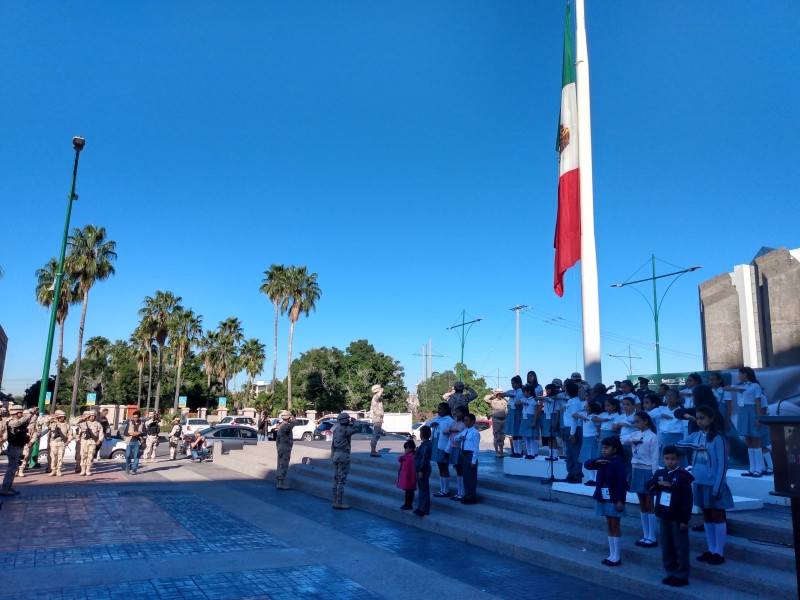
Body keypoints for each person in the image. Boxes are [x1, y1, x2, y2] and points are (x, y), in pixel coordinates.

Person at [677, 405, 733, 565]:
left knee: (717, 515)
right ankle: (711, 549)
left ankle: (719, 552)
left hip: (713, 483)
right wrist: (694, 446)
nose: (700, 421)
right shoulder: (696, 436)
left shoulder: (718, 438)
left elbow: (723, 463)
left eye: (703, 418)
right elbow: (679, 444)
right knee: (706, 515)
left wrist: (718, 485)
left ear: (711, 419)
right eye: (698, 418)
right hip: (699, 482)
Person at [646, 445, 695, 588]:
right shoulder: (660, 473)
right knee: (666, 546)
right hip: (663, 514)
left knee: (680, 546)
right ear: (663, 459)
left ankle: (682, 575)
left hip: (678, 516)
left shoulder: (683, 475)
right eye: (667, 459)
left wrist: (685, 519)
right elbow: (647, 486)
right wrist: (657, 482)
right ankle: (670, 572)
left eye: (673, 459)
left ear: (679, 460)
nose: (670, 461)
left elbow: (688, 499)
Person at [585, 436, 628, 567]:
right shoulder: (603, 460)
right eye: (602, 447)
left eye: (606, 448)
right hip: (604, 496)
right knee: (609, 524)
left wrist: (620, 499)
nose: (603, 450)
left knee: (615, 525)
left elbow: (621, 482)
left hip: (614, 498)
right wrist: (596, 462)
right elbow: (587, 464)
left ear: (614, 449)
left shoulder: (618, 462)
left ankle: (617, 556)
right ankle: (612, 553)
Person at [623, 412, 660, 548]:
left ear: (646, 421)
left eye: (638, 421)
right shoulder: (635, 434)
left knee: (649, 502)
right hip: (636, 469)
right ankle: (645, 535)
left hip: (647, 470)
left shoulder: (653, 437)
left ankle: (652, 536)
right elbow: (622, 439)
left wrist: (654, 476)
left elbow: (655, 458)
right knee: (642, 503)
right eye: (635, 422)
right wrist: (633, 440)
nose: (636, 424)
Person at [724, 367, 766, 477]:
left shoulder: (755, 386)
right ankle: (752, 468)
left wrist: (759, 418)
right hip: (742, 412)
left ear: (746, 374)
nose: (739, 376)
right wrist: (737, 389)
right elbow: (725, 388)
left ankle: (759, 468)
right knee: (748, 439)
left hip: (752, 411)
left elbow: (758, 402)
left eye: (740, 374)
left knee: (756, 440)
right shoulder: (739, 386)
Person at [1, 405, 33, 495]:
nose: (22, 414)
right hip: (13, 447)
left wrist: (33, 414)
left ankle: (9, 487)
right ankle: (5, 487)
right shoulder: (11, 421)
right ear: (16, 413)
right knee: (11, 468)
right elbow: (19, 423)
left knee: (14, 467)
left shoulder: (18, 421)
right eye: (20, 413)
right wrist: (30, 413)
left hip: (18, 446)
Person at [427, 403, 455, 498]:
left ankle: (446, 490)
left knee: (444, 467)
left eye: (441, 409)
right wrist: (432, 424)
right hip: (436, 444)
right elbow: (428, 424)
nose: (438, 411)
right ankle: (442, 489)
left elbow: (451, 436)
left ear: (446, 410)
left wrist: (448, 449)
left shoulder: (449, 420)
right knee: (440, 467)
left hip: (443, 446)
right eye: (438, 409)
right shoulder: (438, 418)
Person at [331, 412, 358, 509]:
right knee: (341, 480)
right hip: (343, 456)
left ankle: (334, 500)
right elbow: (356, 429)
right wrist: (355, 421)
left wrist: (332, 455)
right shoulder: (346, 430)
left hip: (336, 455)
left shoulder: (336, 430)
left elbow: (332, 445)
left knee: (335, 478)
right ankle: (339, 502)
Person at [561, 380, 584, 483]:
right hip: (567, 428)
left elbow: (575, 419)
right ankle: (570, 472)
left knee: (575, 452)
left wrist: (572, 433)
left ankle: (577, 474)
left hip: (573, 429)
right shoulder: (570, 401)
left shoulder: (575, 402)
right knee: (569, 453)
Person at [456, 413, 481, 504]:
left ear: (472, 421)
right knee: (465, 476)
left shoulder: (475, 433)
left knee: (471, 477)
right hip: (463, 454)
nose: (465, 422)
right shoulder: (465, 431)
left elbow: (476, 448)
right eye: (465, 421)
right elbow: (456, 439)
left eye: (467, 420)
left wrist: (473, 460)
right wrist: (460, 437)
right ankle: (467, 495)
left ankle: (471, 497)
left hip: (470, 455)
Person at [443, 406, 467, 500]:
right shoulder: (454, 422)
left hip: (460, 448)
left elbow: (465, 432)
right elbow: (444, 430)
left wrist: (459, 431)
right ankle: (459, 492)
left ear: (463, 413)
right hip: (453, 447)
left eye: (458, 412)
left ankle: (462, 492)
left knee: (461, 470)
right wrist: (451, 430)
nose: (456, 414)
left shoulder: (464, 423)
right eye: (456, 412)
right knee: (457, 470)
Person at [497, 375, 523, 457]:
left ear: (518, 383)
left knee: (518, 432)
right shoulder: (511, 391)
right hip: (511, 412)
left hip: (518, 411)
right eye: (511, 383)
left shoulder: (521, 392)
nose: (512, 385)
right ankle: (515, 451)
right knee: (513, 433)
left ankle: (520, 451)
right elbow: (500, 395)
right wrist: (507, 395)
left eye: (514, 383)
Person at [578, 400, 603, 486]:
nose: (584, 406)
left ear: (589, 407)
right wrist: (582, 417)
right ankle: (591, 478)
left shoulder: (594, 416)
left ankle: (596, 479)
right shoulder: (584, 414)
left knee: (593, 458)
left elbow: (599, 429)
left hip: (593, 438)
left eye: (586, 405)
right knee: (587, 459)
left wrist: (598, 440)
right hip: (585, 439)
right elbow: (574, 414)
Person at [73, 411, 105, 476]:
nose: (92, 417)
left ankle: (88, 469)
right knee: (83, 455)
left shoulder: (97, 424)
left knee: (90, 456)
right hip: (84, 441)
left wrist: (100, 440)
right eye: (91, 416)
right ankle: (83, 469)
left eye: (94, 416)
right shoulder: (83, 423)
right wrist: (83, 417)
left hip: (92, 442)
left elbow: (101, 432)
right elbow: (74, 422)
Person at [414, 425, 433, 516]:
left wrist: (421, 470)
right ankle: (421, 506)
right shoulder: (424, 445)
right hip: (420, 468)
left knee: (424, 489)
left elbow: (424, 459)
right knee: (421, 489)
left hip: (423, 469)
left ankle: (424, 508)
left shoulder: (426, 445)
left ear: (422, 435)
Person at [16, 407, 40, 478]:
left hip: (27, 443)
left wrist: (31, 441)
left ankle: (20, 470)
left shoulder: (32, 425)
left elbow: (35, 433)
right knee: (16, 456)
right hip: (18, 442)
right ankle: (16, 470)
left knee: (24, 456)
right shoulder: (18, 423)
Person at [46, 410, 71, 477]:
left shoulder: (66, 425)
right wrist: (51, 417)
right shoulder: (53, 424)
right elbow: (44, 422)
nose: (61, 418)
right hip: (54, 442)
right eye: (60, 417)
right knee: (53, 457)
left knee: (60, 457)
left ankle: (58, 470)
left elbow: (70, 434)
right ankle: (53, 470)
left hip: (62, 443)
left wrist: (68, 441)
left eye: (63, 417)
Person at [519, 384, 540, 460]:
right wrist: (522, 403)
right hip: (525, 418)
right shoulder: (524, 399)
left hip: (531, 418)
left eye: (524, 392)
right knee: (526, 437)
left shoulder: (534, 400)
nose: (523, 394)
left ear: (529, 392)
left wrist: (534, 421)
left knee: (531, 437)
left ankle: (532, 453)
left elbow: (536, 412)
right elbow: (516, 403)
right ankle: (528, 452)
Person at [275, 410, 295, 490]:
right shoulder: (285, 426)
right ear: (288, 418)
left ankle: (279, 481)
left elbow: (277, 440)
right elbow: (294, 424)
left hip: (281, 446)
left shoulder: (280, 426)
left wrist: (278, 448)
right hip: (285, 447)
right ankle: (280, 483)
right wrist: (293, 419)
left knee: (280, 464)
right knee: (284, 465)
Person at [487, 389, 507, 458]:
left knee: (502, 437)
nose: (501, 394)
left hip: (503, 420)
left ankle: (501, 451)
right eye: (500, 393)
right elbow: (486, 399)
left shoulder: (504, 401)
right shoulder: (493, 401)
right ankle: (496, 452)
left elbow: (506, 410)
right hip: (496, 420)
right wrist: (493, 394)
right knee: (496, 436)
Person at [397, 440, 417, 509]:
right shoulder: (406, 456)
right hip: (405, 477)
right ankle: (406, 503)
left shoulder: (412, 457)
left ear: (411, 449)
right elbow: (400, 459)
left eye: (406, 448)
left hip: (410, 478)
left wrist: (413, 480)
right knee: (407, 492)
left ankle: (409, 505)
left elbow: (413, 470)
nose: (405, 450)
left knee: (410, 492)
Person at [369, 384, 385, 458]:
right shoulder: (375, 397)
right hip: (377, 418)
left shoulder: (378, 399)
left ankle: (373, 449)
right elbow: (377, 397)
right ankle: (373, 450)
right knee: (376, 434)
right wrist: (380, 392)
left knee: (377, 434)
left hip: (379, 418)